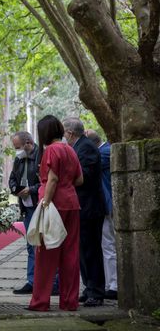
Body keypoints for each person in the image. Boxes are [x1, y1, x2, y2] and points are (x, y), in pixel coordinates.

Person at [28, 115, 83, 312]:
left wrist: (46, 203)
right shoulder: (70, 149)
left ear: (44, 132)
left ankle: (40, 302)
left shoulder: (51, 150)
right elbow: (79, 180)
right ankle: (69, 302)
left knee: (46, 254)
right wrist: (65, 186)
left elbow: (52, 179)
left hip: (53, 206)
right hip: (72, 204)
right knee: (70, 254)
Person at [62, 118, 106, 307]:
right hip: (82, 207)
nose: (63, 136)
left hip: (89, 207)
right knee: (83, 251)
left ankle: (96, 291)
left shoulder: (85, 147)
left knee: (91, 251)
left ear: (70, 133)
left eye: (64, 132)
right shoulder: (78, 147)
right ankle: (89, 288)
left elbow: (85, 175)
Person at [86, 129, 117, 300]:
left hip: (108, 205)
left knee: (108, 245)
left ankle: (113, 285)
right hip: (108, 204)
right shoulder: (106, 150)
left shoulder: (103, 153)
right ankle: (110, 283)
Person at [8, 131, 41, 295]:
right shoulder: (18, 159)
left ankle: (53, 282)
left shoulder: (41, 155)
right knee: (30, 244)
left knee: (44, 243)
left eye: (18, 147)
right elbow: (12, 178)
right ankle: (32, 281)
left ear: (28, 143)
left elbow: (47, 182)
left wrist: (32, 189)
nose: (17, 151)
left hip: (39, 205)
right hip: (26, 206)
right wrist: (16, 190)